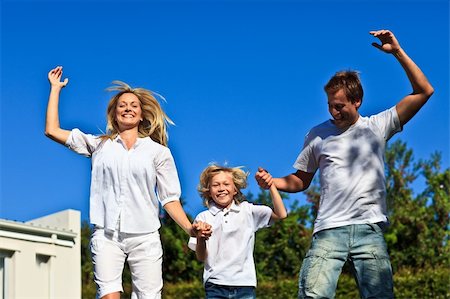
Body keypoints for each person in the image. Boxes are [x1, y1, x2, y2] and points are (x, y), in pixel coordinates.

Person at [255, 29, 433, 298]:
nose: (333, 111)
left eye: (340, 106)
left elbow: (424, 91)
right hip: (329, 230)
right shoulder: (317, 134)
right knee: (313, 294)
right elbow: (300, 180)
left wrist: (397, 52)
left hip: (369, 229)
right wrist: (273, 182)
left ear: (357, 101)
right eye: (330, 105)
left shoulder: (377, 126)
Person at [45, 66, 211, 299]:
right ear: (114, 114)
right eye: (122, 105)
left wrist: (189, 228)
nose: (128, 109)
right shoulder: (98, 144)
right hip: (106, 234)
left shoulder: (158, 152)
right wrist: (55, 89)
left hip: (145, 236)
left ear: (142, 114)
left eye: (134, 105)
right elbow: (51, 130)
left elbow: (169, 198)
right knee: (108, 295)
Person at [188, 164, 287, 299]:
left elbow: (281, 214)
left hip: (245, 285)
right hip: (215, 285)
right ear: (209, 191)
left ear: (235, 189)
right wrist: (201, 238)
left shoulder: (248, 211)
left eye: (226, 184)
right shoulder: (203, 218)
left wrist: (271, 186)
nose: (221, 188)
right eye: (216, 185)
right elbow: (201, 257)